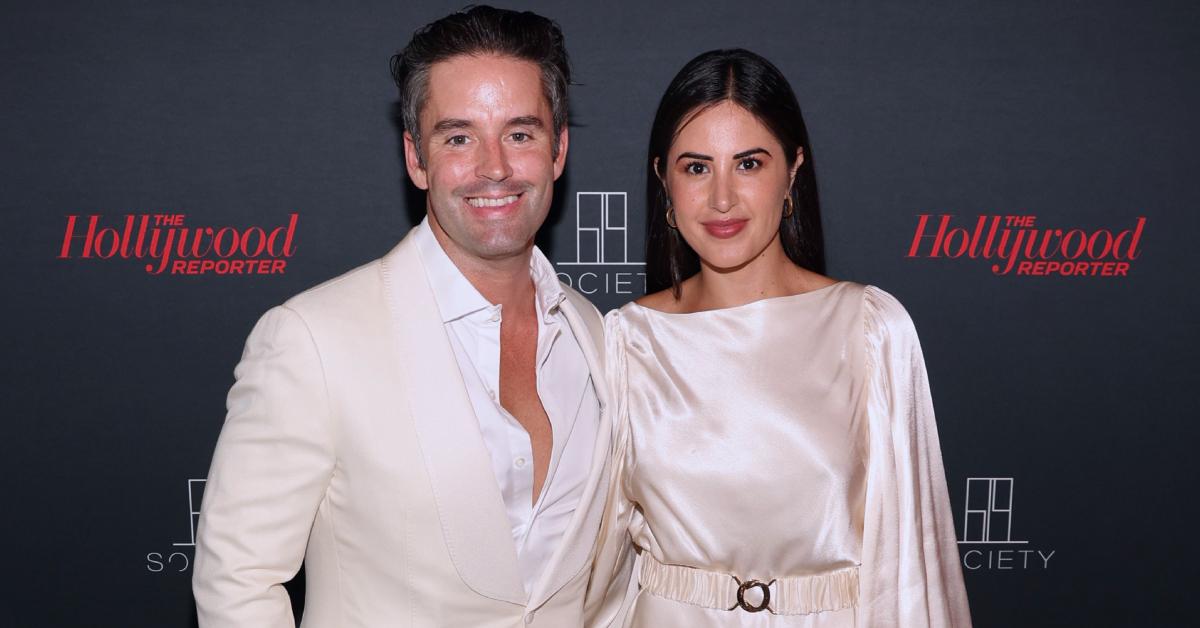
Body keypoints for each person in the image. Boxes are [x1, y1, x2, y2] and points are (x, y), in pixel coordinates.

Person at [192, 7, 615, 627]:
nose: (494, 166)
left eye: (520, 133)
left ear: (558, 151)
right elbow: (238, 582)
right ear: (417, 158)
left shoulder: (597, 337)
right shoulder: (313, 339)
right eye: (459, 137)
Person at [588, 49, 972, 627]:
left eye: (748, 164)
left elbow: (908, 573)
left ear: (792, 170)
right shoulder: (626, 342)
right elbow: (595, 569)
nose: (722, 198)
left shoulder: (869, 329)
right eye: (696, 168)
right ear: (662, 178)